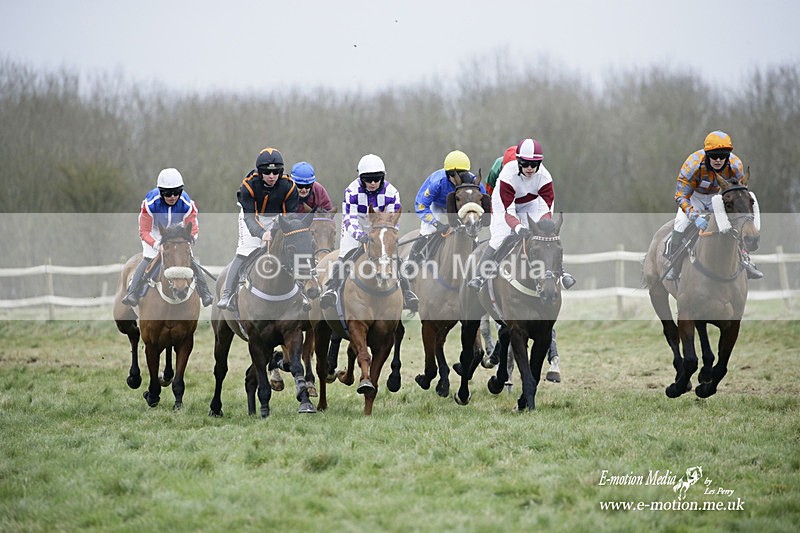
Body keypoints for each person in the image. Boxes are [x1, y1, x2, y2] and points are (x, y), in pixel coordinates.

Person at [467, 138, 576, 290]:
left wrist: (540, 228)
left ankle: (562, 273)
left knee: (546, 236)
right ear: (518, 162)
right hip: (504, 204)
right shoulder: (507, 175)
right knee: (501, 236)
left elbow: (546, 209)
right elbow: (508, 212)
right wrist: (518, 228)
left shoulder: (545, 177)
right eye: (525, 163)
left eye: (534, 164)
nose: (530, 168)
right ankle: (479, 276)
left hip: (531, 202)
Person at [319, 153, 418, 311]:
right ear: (361, 178)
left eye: (376, 178)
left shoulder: (392, 192)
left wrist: (388, 238)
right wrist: (361, 236)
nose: (372, 183)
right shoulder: (352, 191)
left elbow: (393, 221)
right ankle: (332, 289)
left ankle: (407, 293)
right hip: (356, 227)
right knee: (345, 255)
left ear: (382, 177)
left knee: (394, 257)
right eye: (368, 179)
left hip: (381, 229)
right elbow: (348, 219)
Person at [665, 130, 763, 281]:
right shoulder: (692, 165)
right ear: (706, 154)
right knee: (680, 223)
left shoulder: (735, 165)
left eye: (723, 156)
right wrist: (694, 216)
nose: (718, 160)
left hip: (718, 197)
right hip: (694, 196)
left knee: (736, 226)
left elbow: (739, 192)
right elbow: (680, 195)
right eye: (714, 156)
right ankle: (674, 266)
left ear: (728, 156)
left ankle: (746, 261)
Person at [217, 147, 299, 311]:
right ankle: (228, 293)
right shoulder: (248, 185)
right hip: (252, 217)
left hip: (278, 219)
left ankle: (301, 293)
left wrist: (279, 230)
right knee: (246, 250)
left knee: (290, 250)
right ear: (259, 172)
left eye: (276, 173)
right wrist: (262, 233)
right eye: (267, 173)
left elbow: (290, 216)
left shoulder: (289, 186)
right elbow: (249, 217)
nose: (272, 177)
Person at [122, 168, 214, 307]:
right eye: (167, 193)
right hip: (155, 231)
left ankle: (205, 292)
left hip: (178, 233)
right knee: (149, 257)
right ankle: (132, 292)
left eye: (176, 192)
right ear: (160, 192)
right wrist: (156, 244)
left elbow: (193, 228)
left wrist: (187, 241)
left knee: (188, 258)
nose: (172, 196)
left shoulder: (187, 203)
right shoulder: (150, 203)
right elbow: (144, 231)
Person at [406, 150, 487, 264]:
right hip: (437, 205)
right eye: (455, 175)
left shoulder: (473, 182)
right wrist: (436, 224)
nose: (459, 178)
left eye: (462, 174)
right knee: (427, 231)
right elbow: (421, 205)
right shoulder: (437, 182)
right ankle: (412, 262)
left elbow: (483, 201)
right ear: (448, 174)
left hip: (457, 207)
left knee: (472, 233)